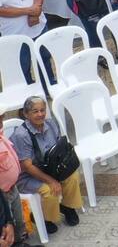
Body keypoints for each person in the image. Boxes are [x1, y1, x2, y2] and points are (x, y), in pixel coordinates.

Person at [11, 95, 82, 234]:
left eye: (43, 110)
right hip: (29, 175)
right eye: (35, 111)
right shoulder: (22, 135)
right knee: (49, 190)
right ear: (26, 114)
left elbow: (59, 148)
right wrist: (52, 181)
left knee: (72, 176)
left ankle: (68, 207)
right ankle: (45, 218)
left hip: (49, 168)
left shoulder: (50, 124)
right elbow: (27, 166)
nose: (40, 114)